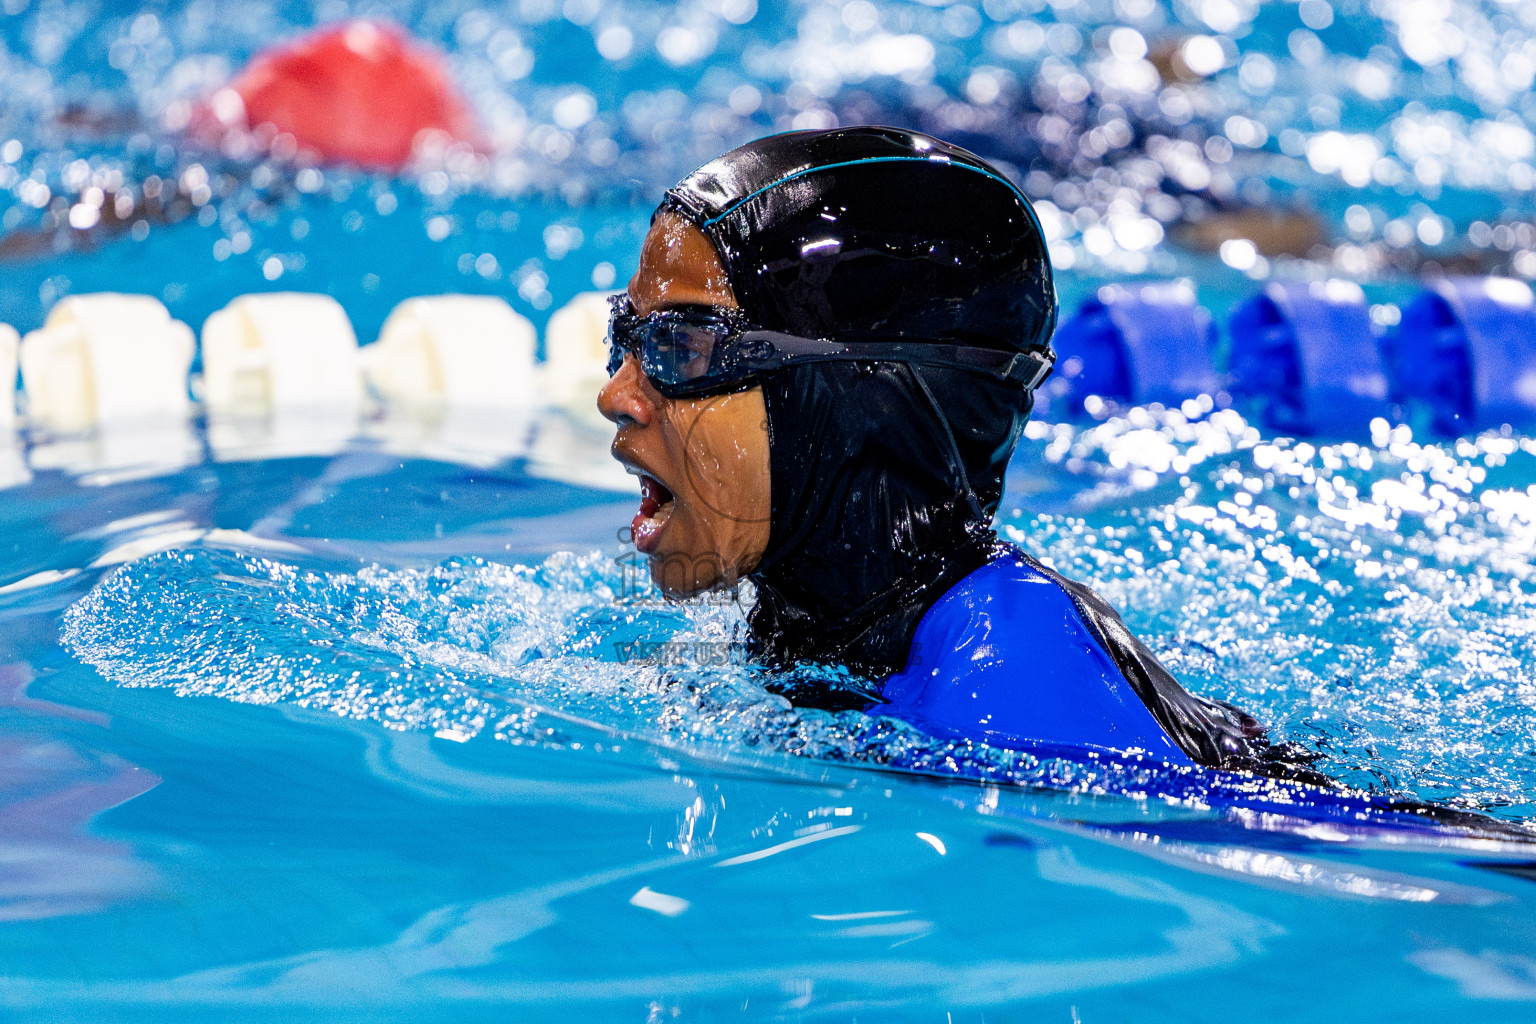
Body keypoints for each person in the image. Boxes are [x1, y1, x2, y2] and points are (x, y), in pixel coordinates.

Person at [596, 125, 1284, 772]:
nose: (617, 395)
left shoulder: (1007, 692)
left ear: (859, 401)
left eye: (682, 347)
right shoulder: (833, 624)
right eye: (625, 338)